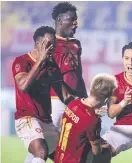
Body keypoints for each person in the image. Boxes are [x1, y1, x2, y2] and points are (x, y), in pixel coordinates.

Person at [13, 26, 73, 163]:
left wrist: (89, 104)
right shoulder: (21, 61)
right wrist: (40, 61)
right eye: (49, 44)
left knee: (68, 158)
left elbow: (65, 96)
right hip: (26, 118)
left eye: (55, 45)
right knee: (41, 151)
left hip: (46, 121)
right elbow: (23, 86)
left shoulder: (51, 66)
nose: (53, 48)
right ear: (39, 44)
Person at [54, 73, 118, 163]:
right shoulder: (93, 120)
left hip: (59, 158)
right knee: (106, 151)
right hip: (73, 161)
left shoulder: (73, 103)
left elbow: (66, 124)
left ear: (92, 89)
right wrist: (101, 142)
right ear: (107, 100)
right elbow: (96, 151)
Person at [50, 2, 88, 130]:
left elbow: (78, 75)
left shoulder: (76, 44)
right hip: (54, 100)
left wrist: (85, 99)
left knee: (74, 142)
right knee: (47, 143)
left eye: (76, 20)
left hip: (75, 100)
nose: (75, 23)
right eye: (71, 19)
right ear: (60, 21)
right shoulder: (48, 44)